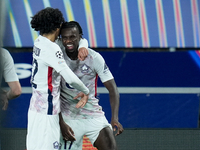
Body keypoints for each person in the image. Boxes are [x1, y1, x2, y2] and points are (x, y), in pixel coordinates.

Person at [26, 8, 90, 150]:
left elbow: (82, 39)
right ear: (56, 27)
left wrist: (82, 46)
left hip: (35, 108)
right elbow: (70, 79)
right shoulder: (52, 49)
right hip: (47, 112)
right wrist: (86, 91)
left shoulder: (39, 42)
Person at [58, 21, 124, 150]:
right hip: (68, 118)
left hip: (93, 114)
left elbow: (113, 89)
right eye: (65, 38)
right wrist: (60, 122)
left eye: (72, 37)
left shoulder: (94, 58)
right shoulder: (57, 57)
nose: (68, 41)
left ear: (80, 37)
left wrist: (114, 118)